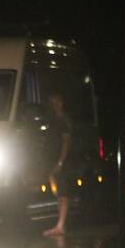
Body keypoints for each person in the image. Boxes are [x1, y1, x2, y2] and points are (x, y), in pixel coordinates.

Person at [43, 93, 73, 237]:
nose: (52, 105)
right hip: (54, 160)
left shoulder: (63, 120)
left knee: (63, 193)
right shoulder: (54, 120)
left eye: (55, 102)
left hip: (62, 162)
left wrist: (61, 162)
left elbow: (66, 142)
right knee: (58, 193)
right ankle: (60, 224)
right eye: (51, 102)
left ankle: (61, 225)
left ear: (60, 103)